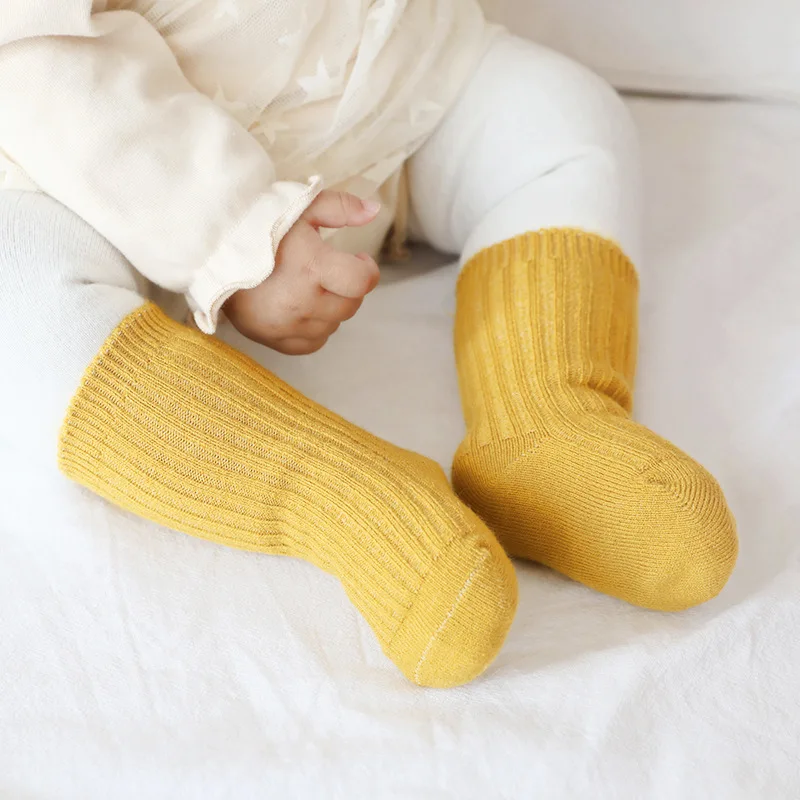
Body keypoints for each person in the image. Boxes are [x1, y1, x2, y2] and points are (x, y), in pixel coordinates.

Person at [0, 0, 737, 688]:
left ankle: (548, 418)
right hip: (111, 184)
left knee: (562, 118)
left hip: (392, 101)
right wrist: (236, 233)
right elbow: (37, 54)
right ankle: (347, 499)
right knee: (22, 291)